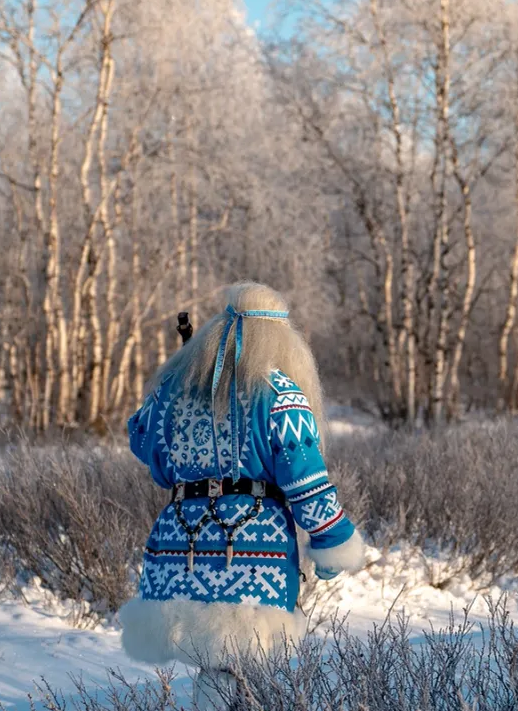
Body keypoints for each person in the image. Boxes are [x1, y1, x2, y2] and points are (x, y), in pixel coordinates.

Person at [117, 282, 366, 668]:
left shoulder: (172, 393)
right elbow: (307, 484)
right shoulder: (280, 394)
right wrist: (332, 542)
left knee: (209, 667)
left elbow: (144, 443)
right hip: (250, 554)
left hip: (178, 547)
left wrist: (182, 387)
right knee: (241, 672)